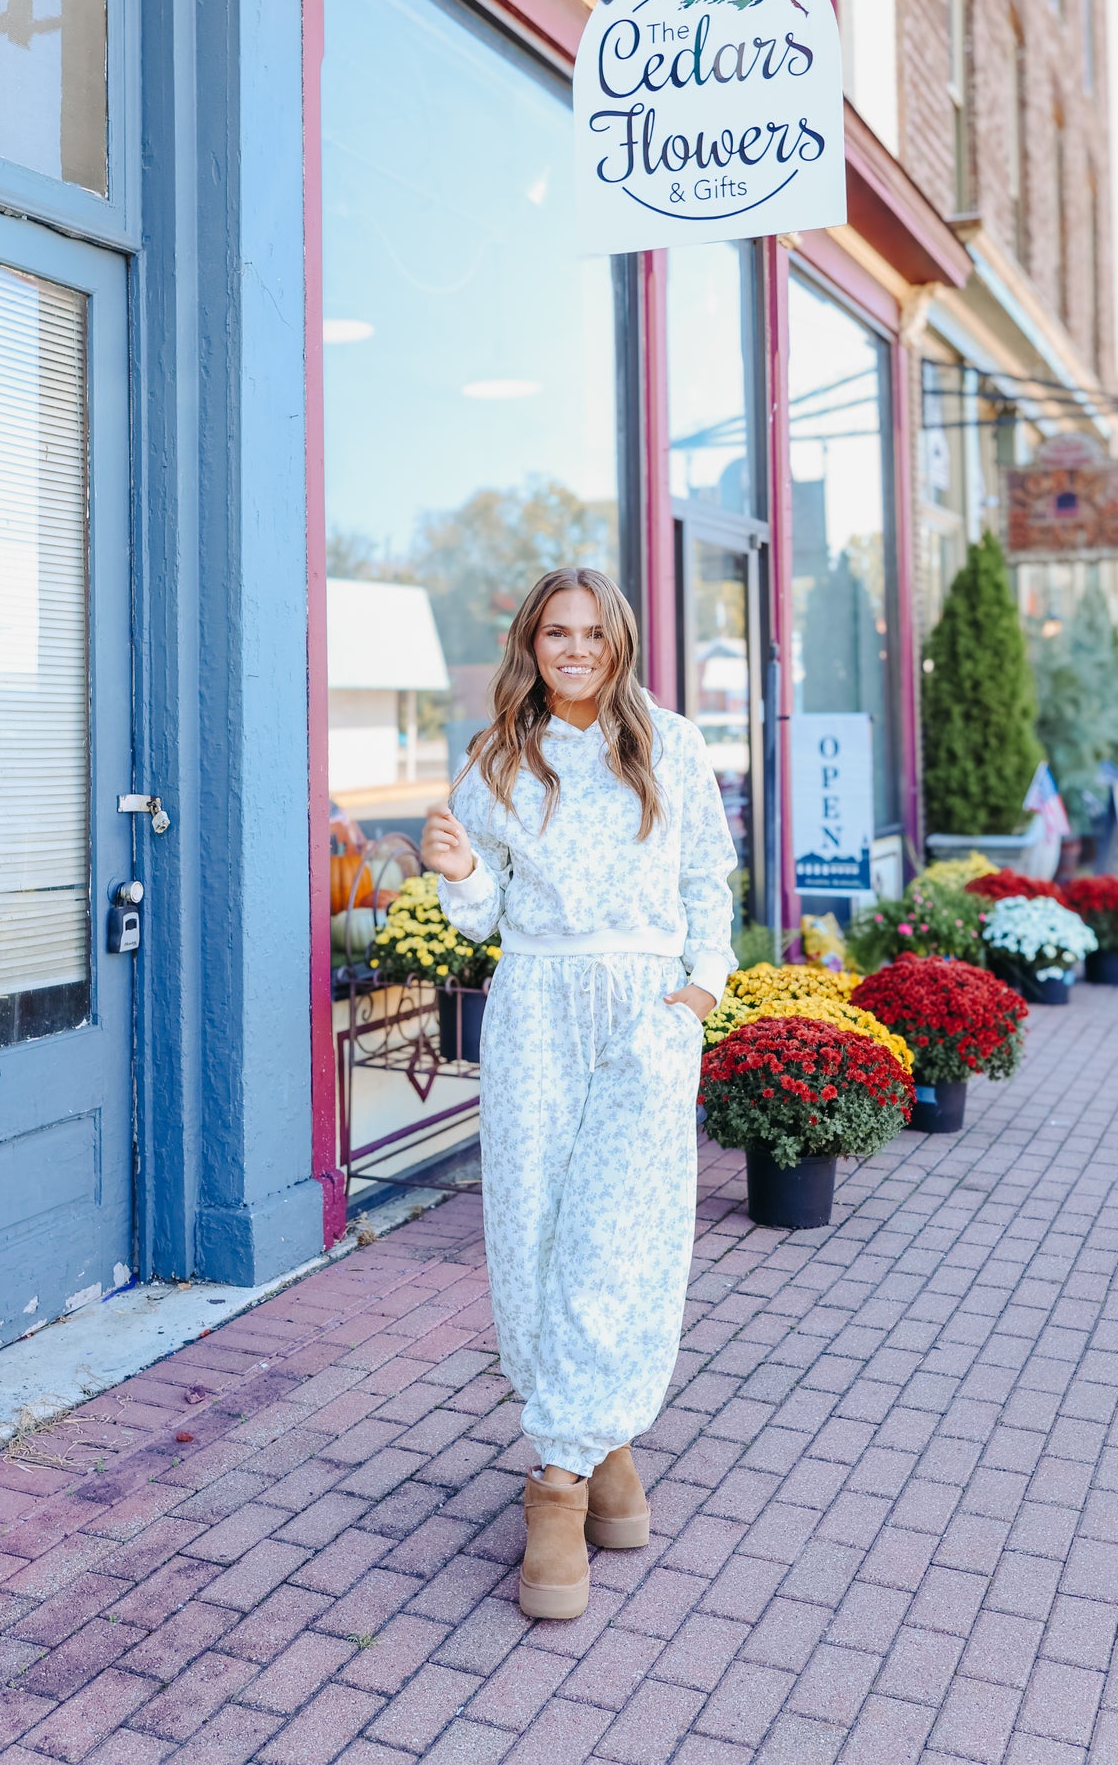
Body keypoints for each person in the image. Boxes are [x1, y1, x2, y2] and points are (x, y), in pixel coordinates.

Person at [421, 566, 736, 1620]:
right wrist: (458, 869)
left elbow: (707, 886)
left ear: (621, 641)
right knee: (530, 1234)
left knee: (618, 1237)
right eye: (555, 633)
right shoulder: (497, 758)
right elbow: (477, 917)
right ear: (529, 643)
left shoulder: (671, 745)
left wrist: (693, 996)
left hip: (643, 1006)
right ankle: (603, 1453)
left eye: (593, 634)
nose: (574, 650)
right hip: (534, 1011)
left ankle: (554, 1481)